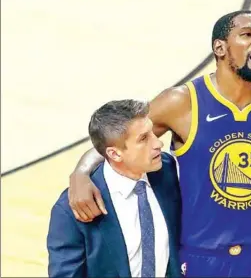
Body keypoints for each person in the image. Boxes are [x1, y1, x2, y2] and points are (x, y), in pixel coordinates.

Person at [66, 10, 251, 277]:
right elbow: (121, 140)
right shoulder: (181, 102)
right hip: (199, 258)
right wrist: (80, 172)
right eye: (247, 35)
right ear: (220, 48)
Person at [47, 100, 182, 278]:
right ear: (114, 154)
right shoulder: (72, 208)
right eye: (144, 138)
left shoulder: (168, 172)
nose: (158, 143)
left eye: (152, 133)